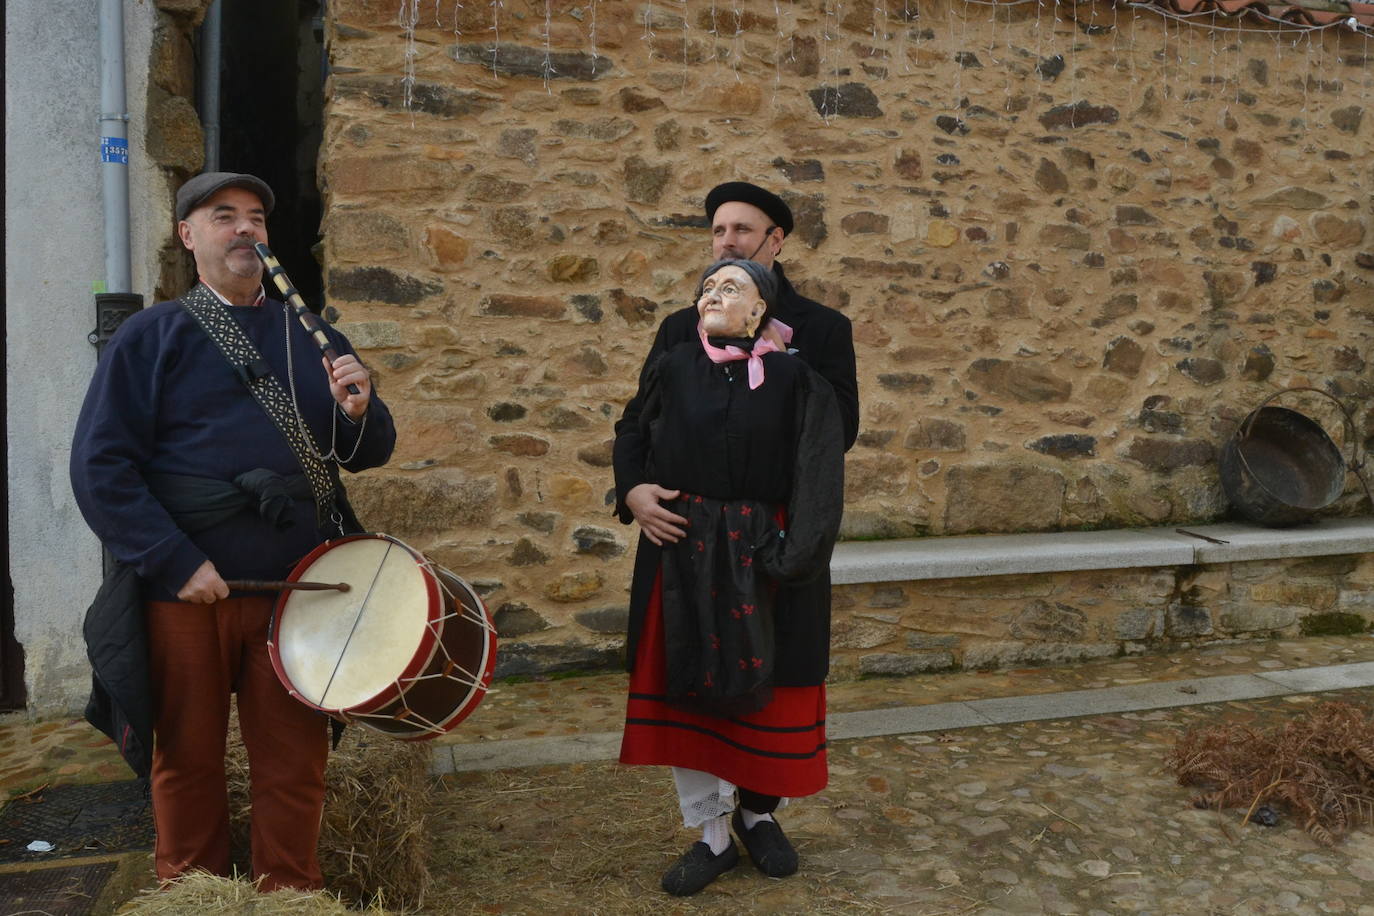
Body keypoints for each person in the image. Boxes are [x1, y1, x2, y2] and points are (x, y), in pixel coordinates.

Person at [70, 171, 396, 891]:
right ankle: (193, 895)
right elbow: (102, 466)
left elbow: (367, 453)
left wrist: (357, 410)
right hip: (189, 591)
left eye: (256, 216)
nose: (246, 229)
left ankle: (291, 894)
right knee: (186, 759)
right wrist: (175, 561)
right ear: (190, 237)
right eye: (225, 217)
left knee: (294, 762)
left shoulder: (311, 332)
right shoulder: (151, 336)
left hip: (298, 590)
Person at [614, 258, 845, 895]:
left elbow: (820, 474)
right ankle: (712, 835)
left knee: (773, 691)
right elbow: (632, 429)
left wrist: (790, 557)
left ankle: (758, 814)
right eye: (707, 288)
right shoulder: (673, 367)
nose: (715, 294)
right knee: (689, 687)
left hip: (767, 558)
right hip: (683, 553)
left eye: (732, 288)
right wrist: (632, 490)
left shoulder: (800, 382)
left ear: (760, 312)